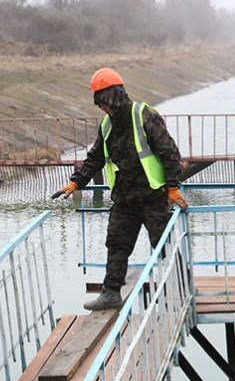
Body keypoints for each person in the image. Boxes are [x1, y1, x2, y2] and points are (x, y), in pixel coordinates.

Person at [52, 68, 188, 310]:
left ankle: (179, 286)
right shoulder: (107, 125)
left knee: (163, 244)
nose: (102, 109)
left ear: (113, 97)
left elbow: (170, 152)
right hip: (125, 199)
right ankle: (111, 293)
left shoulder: (144, 115)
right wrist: (75, 183)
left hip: (153, 196)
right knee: (116, 244)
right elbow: (94, 158)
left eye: (103, 103)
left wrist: (173, 188)